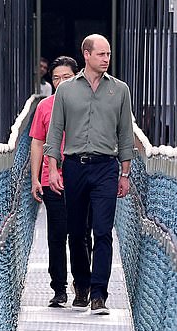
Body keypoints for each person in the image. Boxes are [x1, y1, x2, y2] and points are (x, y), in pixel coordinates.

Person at [45, 34, 134, 315]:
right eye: (101, 54)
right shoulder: (66, 91)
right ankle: (81, 286)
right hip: (74, 166)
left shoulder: (120, 90)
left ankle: (99, 295)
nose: (106, 59)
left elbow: (126, 133)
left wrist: (126, 172)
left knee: (103, 231)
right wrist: (52, 168)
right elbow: (55, 130)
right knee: (76, 232)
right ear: (86, 54)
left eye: (108, 54)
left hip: (106, 167)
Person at [30, 56, 78, 306]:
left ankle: (82, 284)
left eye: (66, 77)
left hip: (81, 177)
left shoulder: (85, 104)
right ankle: (59, 288)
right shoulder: (44, 107)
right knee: (57, 235)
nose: (60, 82)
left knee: (81, 234)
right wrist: (35, 179)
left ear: (77, 77)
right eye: (56, 78)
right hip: (51, 179)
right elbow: (37, 143)